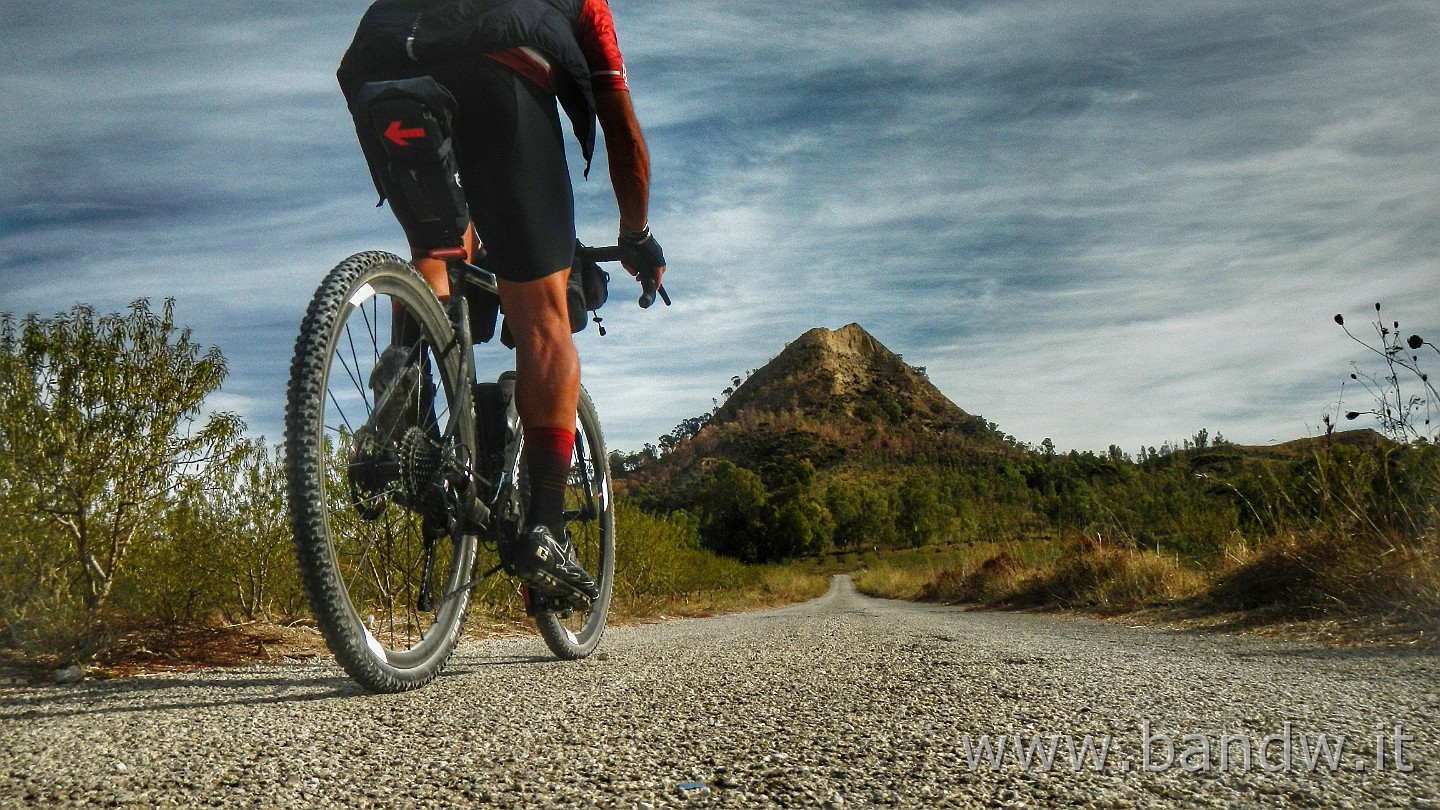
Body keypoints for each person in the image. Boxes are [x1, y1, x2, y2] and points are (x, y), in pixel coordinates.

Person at [337, 0, 666, 601]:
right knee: (545, 321)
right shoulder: (588, 6)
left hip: (381, 69)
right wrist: (636, 233)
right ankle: (544, 528)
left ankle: (406, 405)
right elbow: (620, 127)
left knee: (438, 244)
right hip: (500, 75)